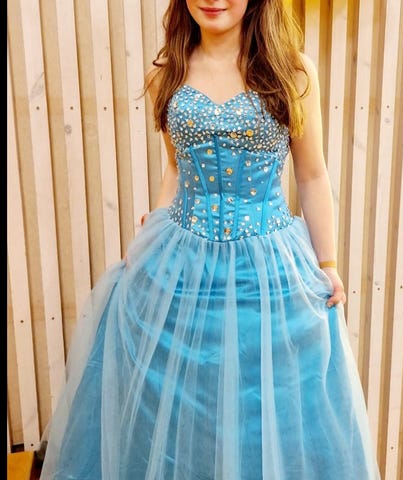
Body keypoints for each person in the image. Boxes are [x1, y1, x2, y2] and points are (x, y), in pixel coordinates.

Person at [39, 0, 381, 478]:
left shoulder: (293, 71)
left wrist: (328, 264)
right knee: (183, 415)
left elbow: (312, 175)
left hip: (268, 270)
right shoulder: (168, 72)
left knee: (263, 412)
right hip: (181, 263)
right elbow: (175, 168)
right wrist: (150, 232)